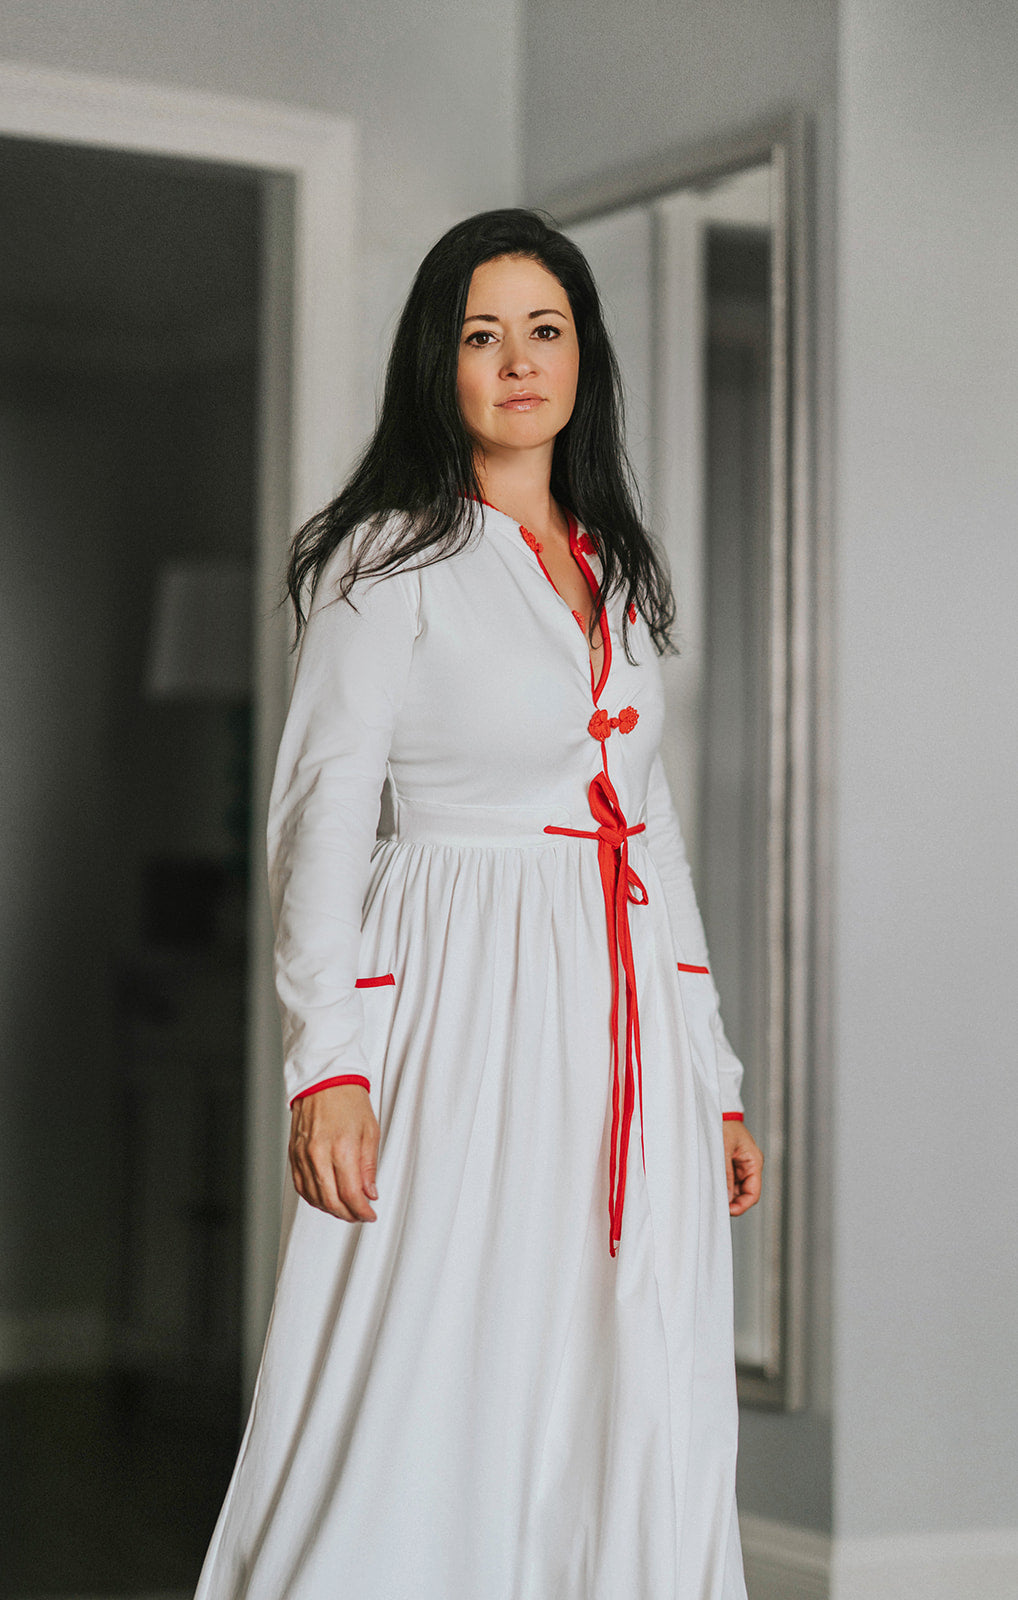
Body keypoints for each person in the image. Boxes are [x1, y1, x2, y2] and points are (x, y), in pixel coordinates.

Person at [194, 207, 763, 1600]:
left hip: (617, 1020)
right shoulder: (382, 562)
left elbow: (654, 836)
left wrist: (714, 1076)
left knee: (619, 1349)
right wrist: (326, 1066)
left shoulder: (613, 572)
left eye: (546, 329)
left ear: (584, 358)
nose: (518, 360)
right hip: (458, 1007)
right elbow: (318, 822)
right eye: (481, 333)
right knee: (440, 1347)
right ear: (436, 367)